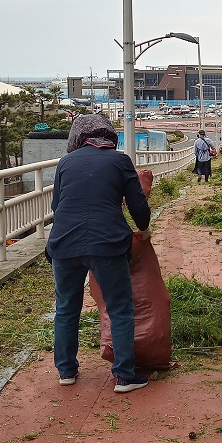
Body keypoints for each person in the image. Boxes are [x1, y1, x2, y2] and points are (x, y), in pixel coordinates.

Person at [46, 114, 152, 393]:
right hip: (107, 243)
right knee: (119, 307)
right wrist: (144, 228)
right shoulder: (119, 161)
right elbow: (137, 204)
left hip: (64, 243)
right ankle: (124, 376)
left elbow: (58, 205)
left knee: (67, 308)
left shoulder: (66, 162)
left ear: (78, 138)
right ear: (109, 136)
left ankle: (66, 371)